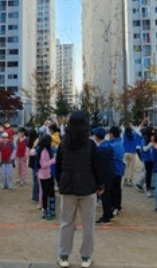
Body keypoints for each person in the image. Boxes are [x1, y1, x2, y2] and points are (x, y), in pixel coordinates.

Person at [55, 111, 104, 268]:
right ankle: (86, 257)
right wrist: (100, 185)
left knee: (66, 223)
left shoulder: (63, 144)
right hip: (88, 188)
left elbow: (58, 168)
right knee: (88, 224)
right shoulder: (90, 145)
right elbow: (97, 166)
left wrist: (61, 183)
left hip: (68, 188)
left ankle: (63, 255)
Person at [92, 127, 115, 225]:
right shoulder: (107, 145)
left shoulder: (101, 148)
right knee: (108, 195)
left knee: (104, 195)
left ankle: (106, 217)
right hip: (110, 173)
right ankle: (109, 214)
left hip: (104, 174)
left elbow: (98, 164)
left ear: (97, 137)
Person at [36, 134, 57, 220]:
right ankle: (46, 209)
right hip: (44, 175)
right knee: (46, 193)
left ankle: (49, 209)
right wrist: (54, 160)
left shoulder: (43, 150)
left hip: (47, 174)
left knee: (49, 193)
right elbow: (43, 164)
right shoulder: (44, 151)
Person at [107, 126, 125, 217]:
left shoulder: (116, 145)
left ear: (112, 134)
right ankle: (113, 205)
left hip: (116, 169)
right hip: (115, 169)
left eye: (109, 133)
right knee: (113, 189)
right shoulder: (115, 143)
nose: (108, 135)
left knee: (116, 189)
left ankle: (116, 207)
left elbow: (113, 158)